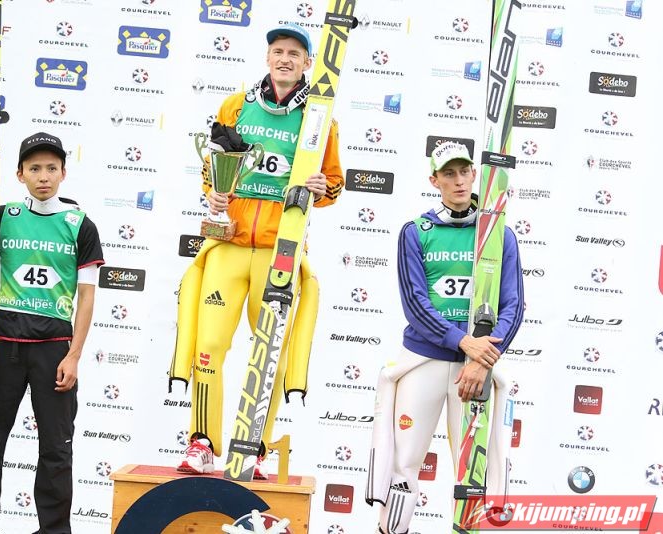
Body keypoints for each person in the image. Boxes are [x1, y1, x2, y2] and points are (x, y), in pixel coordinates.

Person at [168, 23, 343, 479]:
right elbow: (213, 168)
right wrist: (214, 193)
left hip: (278, 250)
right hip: (228, 244)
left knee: (270, 352)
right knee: (208, 346)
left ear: (307, 63)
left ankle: (255, 448)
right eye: (278, 51)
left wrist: (321, 188)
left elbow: (334, 184)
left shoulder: (319, 119)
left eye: (294, 54)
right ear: (268, 58)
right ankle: (202, 443)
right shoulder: (235, 105)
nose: (285, 59)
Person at [0, 132, 104, 534]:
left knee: (56, 449)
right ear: (19, 174)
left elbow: (86, 296)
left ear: (63, 173)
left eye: (51, 168)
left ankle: (53, 531)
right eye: (34, 168)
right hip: (3, 348)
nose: (43, 176)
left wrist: (74, 355)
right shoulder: (3, 216)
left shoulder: (80, 225)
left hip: (53, 350)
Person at [365, 142, 524, 533]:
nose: (458, 181)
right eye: (448, 174)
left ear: (474, 175)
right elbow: (415, 305)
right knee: (404, 465)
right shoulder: (416, 232)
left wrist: (481, 359)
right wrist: (464, 343)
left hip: (476, 369)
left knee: (474, 471)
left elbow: (513, 306)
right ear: (434, 180)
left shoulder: (499, 234)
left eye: (464, 172)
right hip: (426, 362)